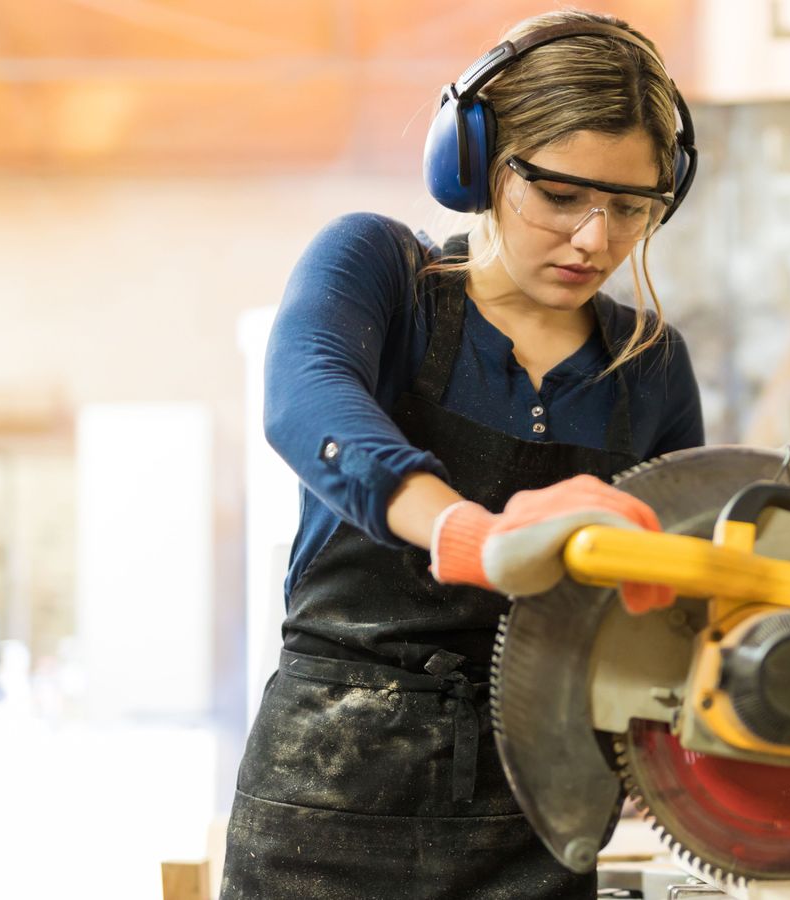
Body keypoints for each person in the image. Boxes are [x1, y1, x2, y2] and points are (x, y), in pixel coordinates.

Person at [220, 10, 704, 898]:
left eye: (632, 207)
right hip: (328, 795)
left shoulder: (652, 367)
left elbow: (669, 605)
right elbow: (305, 399)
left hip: (540, 812)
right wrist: (469, 535)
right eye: (561, 196)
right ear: (477, 165)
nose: (596, 240)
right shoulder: (382, 273)